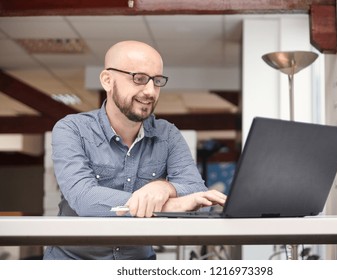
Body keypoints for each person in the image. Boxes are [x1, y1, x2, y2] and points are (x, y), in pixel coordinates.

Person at [43, 40, 226, 260]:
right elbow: (84, 198)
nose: (150, 91)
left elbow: (198, 194)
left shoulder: (167, 135)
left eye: (156, 81)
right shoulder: (71, 129)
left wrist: (163, 187)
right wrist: (172, 205)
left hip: (138, 266)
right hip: (73, 266)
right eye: (139, 79)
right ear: (107, 80)